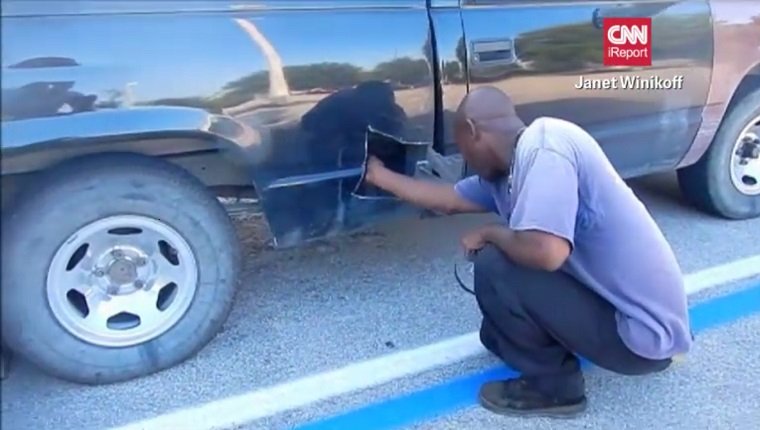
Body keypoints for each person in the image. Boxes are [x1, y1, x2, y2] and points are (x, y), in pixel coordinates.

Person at [363, 86, 693, 418]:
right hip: (630, 316)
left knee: (496, 260)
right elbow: (449, 199)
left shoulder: (546, 145)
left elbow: (546, 253)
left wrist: (491, 231)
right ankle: (535, 344)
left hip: (641, 336)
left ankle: (556, 389)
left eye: (463, 149)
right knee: (498, 323)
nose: (466, 161)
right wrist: (380, 176)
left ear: (474, 132)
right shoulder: (508, 170)